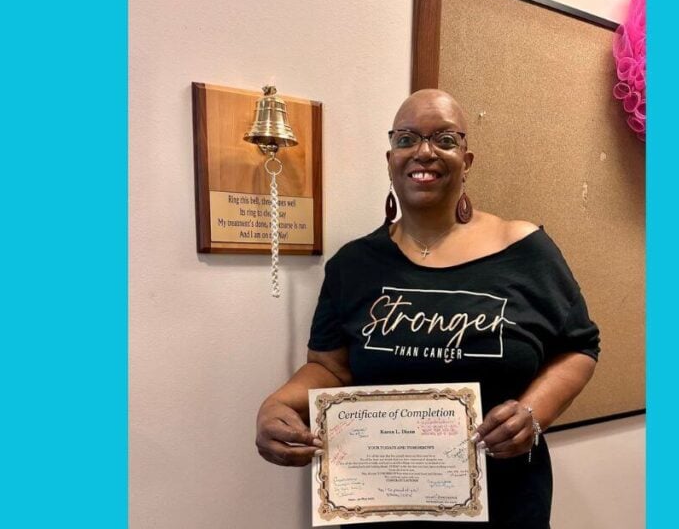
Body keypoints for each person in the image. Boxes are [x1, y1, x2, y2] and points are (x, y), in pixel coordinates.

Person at [255, 89, 600, 528]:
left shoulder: (525, 249)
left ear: (467, 160)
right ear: (390, 159)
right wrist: (277, 405)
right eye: (407, 139)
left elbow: (579, 347)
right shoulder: (353, 265)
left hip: (506, 505)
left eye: (444, 139)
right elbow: (331, 367)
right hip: (378, 507)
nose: (424, 152)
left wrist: (534, 412)